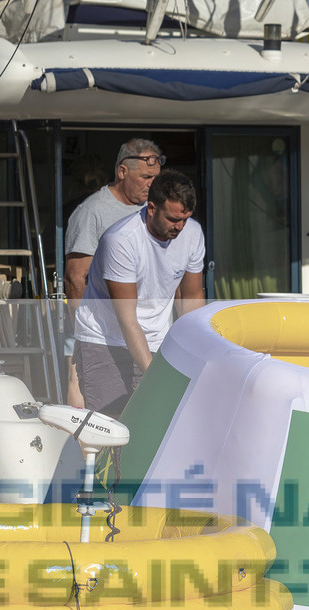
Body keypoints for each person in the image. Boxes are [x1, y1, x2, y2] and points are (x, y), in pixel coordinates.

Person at [71, 171, 205, 417]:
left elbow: (192, 298)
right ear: (151, 208)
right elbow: (127, 318)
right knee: (110, 427)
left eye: (185, 219)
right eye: (173, 219)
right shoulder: (121, 240)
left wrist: (198, 353)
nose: (180, 227)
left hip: (157, 339)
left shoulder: (193, 234)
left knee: (154, 425)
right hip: (106, 340)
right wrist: (154, 376)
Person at [62, 139, 163, 406]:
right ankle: (82, 449)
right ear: (122, 172)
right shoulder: (92, 212)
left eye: (155, 177)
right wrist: (85, 331)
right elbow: (76, 277)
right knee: (92, 401)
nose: (151, 184)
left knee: (140, 403)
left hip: (145, 332)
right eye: (145, 177)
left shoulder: (153, 212)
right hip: (99, 333)